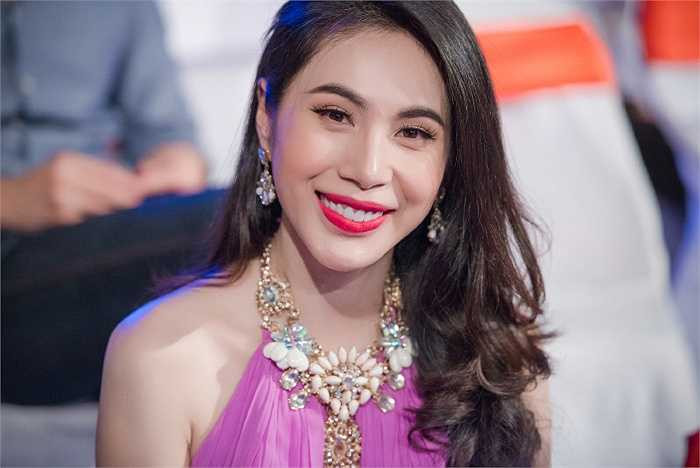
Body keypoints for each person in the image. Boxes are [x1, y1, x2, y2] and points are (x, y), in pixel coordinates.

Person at [96, 2, 555, 466]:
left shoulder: (499, 355)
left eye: (413, 132)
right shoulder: (162, 357)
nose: (368, 170)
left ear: (449, 161)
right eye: (336, 114)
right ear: (267, 117)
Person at [0, 1, 223, 405]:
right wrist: (11, 200)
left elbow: (170, 136)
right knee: (241, 213)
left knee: (244, 210)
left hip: (99, 240)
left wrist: (177, 164)